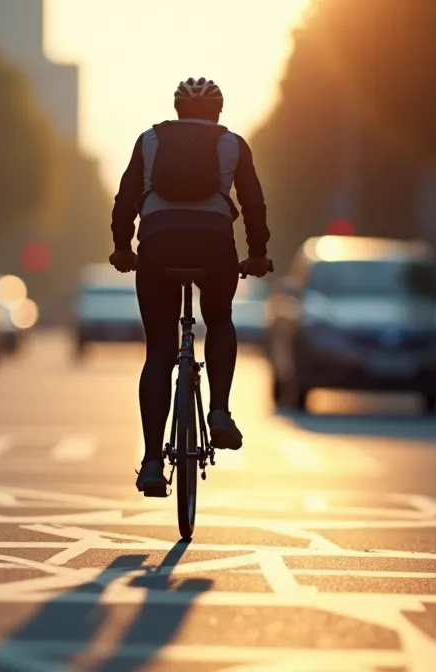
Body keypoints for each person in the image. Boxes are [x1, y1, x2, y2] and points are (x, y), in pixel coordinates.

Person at [108, 77, 273, 495]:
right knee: (218, 319)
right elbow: (253, 202)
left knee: (159, 352)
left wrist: (122, 249)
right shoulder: (233, 144)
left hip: (158, 247)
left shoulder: (148, 140)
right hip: (213, 246)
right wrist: (257, 253)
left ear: (177, 110)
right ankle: (218, 412)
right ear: (218, 113)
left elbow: (125, 198)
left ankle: (149, 462)